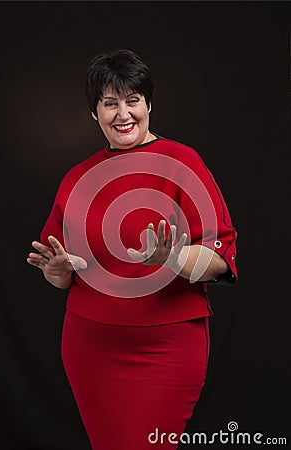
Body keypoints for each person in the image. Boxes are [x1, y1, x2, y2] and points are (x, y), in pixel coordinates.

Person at [27, 49, 237, 450]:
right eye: (110, 103)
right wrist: (56, 272)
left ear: (148, 104)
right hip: (90, 346)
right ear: (95, 113)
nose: (122, 114)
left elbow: (219, 261)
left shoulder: (182, 163)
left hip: (167, 344)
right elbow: (61, 272)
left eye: (132, 100)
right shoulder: (77, 179)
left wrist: (171, 258)